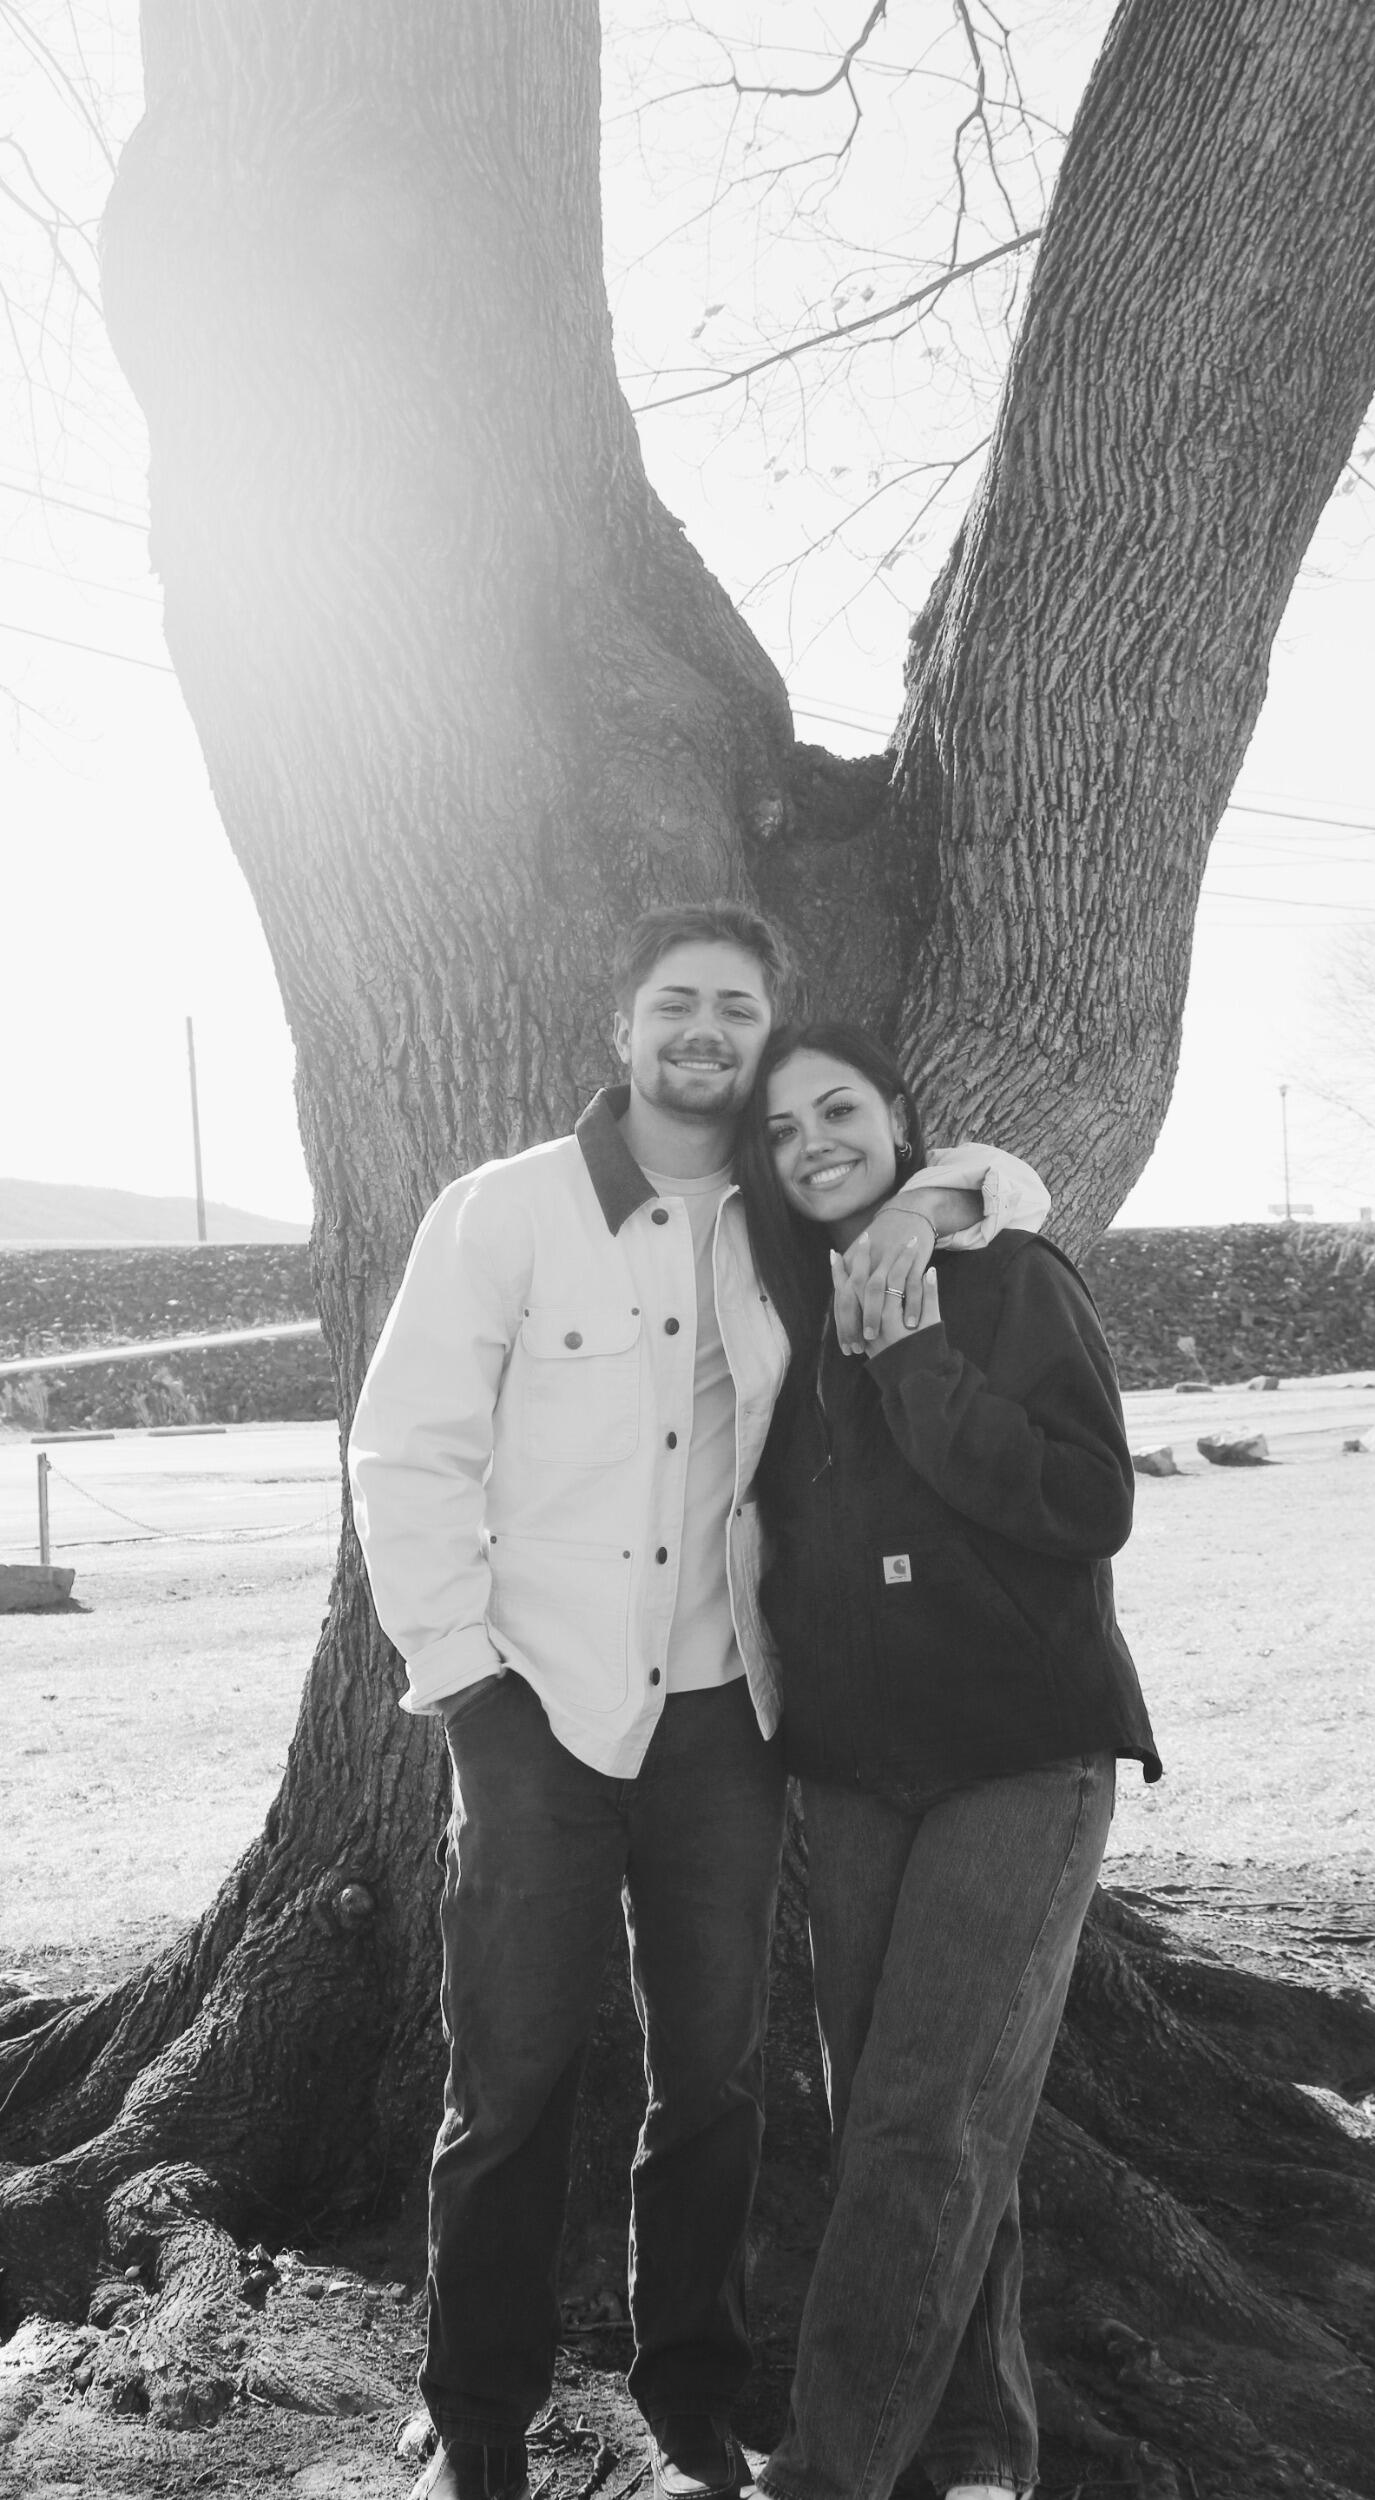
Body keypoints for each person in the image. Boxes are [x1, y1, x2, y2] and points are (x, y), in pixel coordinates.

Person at [347, 906, 1049, 2500]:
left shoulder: (787, 1216)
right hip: (531, 1706)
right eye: (677, 1002)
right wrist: (461, 1679)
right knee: (510, 2076)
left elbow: (1008, 1187)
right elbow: (409, 1452)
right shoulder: (505, 1212)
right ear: (623, 1026)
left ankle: (693, 2397)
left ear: (762, 1032)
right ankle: (473, 2421)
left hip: (723, 1714)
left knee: (714, 2077)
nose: (705, 1031)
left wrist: (918, 1207)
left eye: (736, 1007)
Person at [734, 1022, 1161, 2500]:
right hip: (853, 1771)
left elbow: (1085, 1500)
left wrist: (914, 1354)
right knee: (912, 2124)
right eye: (781, 1132)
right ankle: (977, 2455)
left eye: (836, 1110)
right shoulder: (781, 1305)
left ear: (904, 1123)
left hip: (1017, 1755)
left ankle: (822, 2478)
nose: (812, 1145)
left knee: (923, 2120)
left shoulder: (1004, 1278)